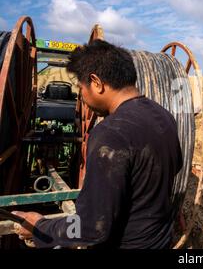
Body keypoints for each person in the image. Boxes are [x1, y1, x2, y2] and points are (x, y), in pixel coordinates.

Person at [13, 40, 183, 249]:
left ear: (96, 82)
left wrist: (40, 226)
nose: (81, 96)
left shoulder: (110, 133)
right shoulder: (164, 116)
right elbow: (175, 167)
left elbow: (91, 228)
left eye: (80, 87)